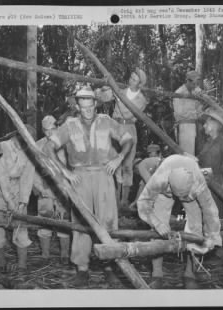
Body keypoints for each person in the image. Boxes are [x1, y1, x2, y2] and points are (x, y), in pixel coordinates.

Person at [43, 86, 133, 287]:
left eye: (91, 107)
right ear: (77, 107)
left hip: (104, 175)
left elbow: (128, 139)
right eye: (83, 108)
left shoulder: (106, 121)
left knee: (108, 222)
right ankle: (82, 268)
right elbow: (48, 148)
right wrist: (64, 171)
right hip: (80, 177)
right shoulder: (68, 125)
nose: (88, 111)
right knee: (82, 223)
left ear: (95, 105)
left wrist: (118, 158)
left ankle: (110, 266)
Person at [137, 154, 222, 289]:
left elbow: (210, 210)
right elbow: (143, 203)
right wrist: (157, 224)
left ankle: (190, 273)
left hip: (190, 193)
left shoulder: (198, 181)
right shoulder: (160, 178)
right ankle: (157, 273)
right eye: (179, 195)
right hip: (165, 191)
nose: (180, 199)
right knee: (157, 227)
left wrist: (213, 236)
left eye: (182, 195)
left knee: (196, 227)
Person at [95, 68, 148, 209]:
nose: (131, 81)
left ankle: (124, 200)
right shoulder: (122, 91)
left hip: (129, 128)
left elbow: (128, 114)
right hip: (114, 127)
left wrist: (119, 98)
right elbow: (103, 98)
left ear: (140, 84)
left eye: (135, 80)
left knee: (127, 165)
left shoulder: (141, 99)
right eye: (131, 77)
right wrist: (104, 89)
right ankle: (114, 197)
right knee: (112, 161)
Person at [0, 125, 36, 273]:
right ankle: (1, 262)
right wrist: (9, 202)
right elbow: (2, 177)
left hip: (17, 186)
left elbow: (28, 178)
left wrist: (23, 201)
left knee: (21, 223)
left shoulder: (29, 152)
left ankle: (22, 264)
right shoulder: (2, 147)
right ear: (18, 135)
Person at [33, 115, 70, 264]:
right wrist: (37, 187)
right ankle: (45, 255)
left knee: (64, 223)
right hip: (45, 188)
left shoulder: (66, 144)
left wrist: (68, 189)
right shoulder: (38, 145)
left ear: (58, 128)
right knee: (44, 222)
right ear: (42, 130)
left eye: (52, 129)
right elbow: (32, 169)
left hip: (63, 189)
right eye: (46, 130)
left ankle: (65, 255)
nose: (49, 133)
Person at [197, 108, 223, 218]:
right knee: (205, 215)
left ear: (214, 124)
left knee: (216, 215)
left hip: (217, 182)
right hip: (204, 182)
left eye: (206, 123)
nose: (204, 126)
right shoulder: (207, 144)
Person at [172, 70, 203, 155]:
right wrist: (193, 114)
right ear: (188, 81)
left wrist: (200, 99)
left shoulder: (195, 92)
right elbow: (179, 112)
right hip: (184, 125)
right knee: (186, 153)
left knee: (193, 152)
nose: (195, 86)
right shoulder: (179, 93)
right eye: (193, 84)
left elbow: (199, 109)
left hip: (193, 125)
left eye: (197, 84)